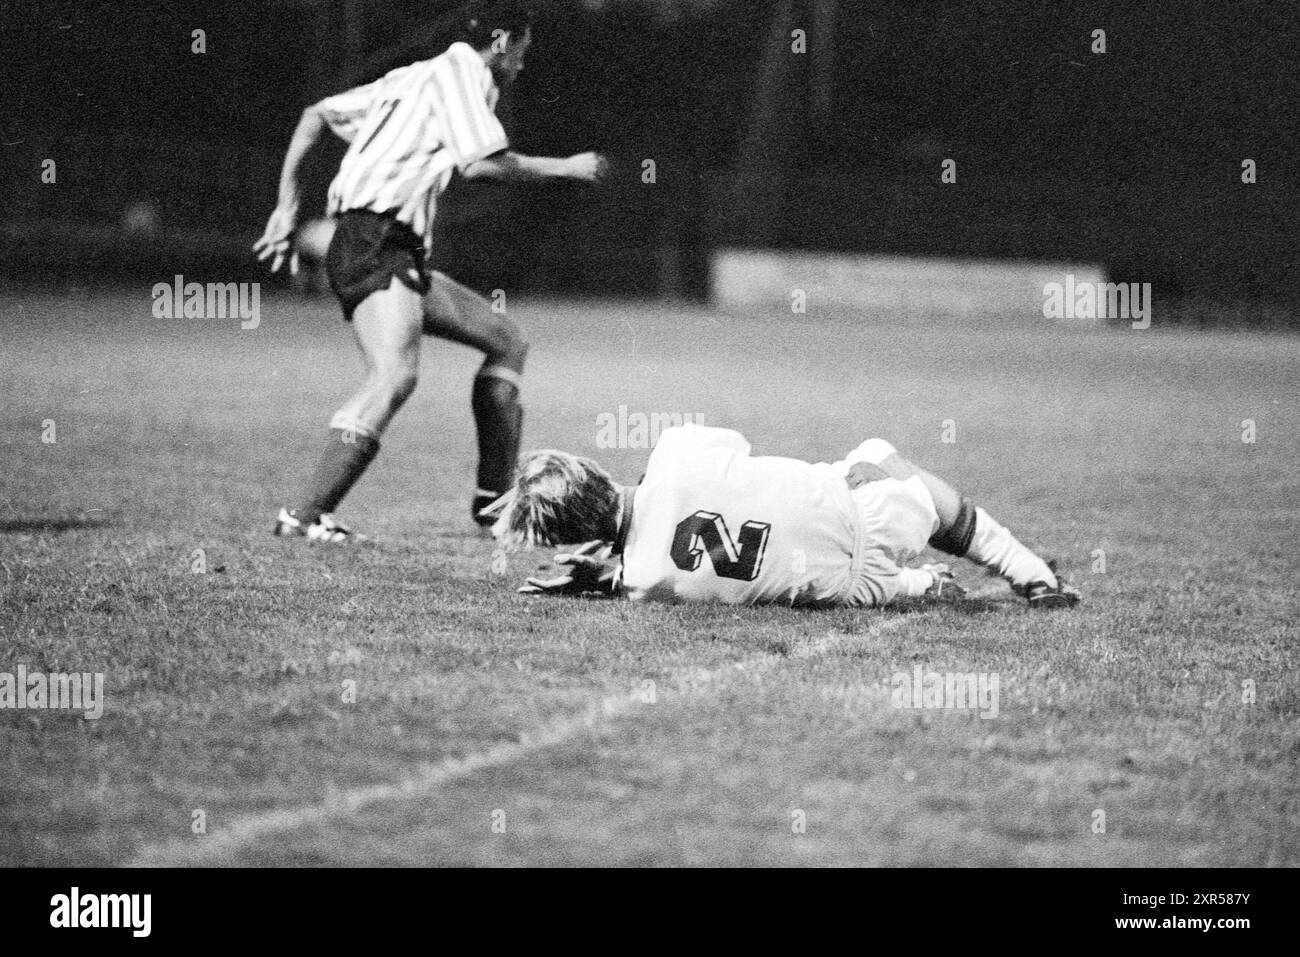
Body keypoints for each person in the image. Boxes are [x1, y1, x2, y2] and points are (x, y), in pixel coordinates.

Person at [254, 0, 607, 542]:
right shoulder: (462, 74)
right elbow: (480, 163)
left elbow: (315, 117)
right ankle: (302, 516)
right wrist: (566, 167)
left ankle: (494, 506)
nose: (522, 64)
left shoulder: (410, 78)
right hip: (376, 241)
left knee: (506, 339)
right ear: (500, 40)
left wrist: (286, 205)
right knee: (394, 374)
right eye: (522, 50)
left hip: (394, 247)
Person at [483, 423, 1081, 608]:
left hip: (858, 590)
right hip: (866, 512)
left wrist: (599, 578)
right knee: (880, 461)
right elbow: (736, 443)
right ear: (591, 472)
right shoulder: (674, 450)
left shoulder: (640, 581)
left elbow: (643, 564)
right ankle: (1033, 576)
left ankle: (924, 584)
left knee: (840, 575)